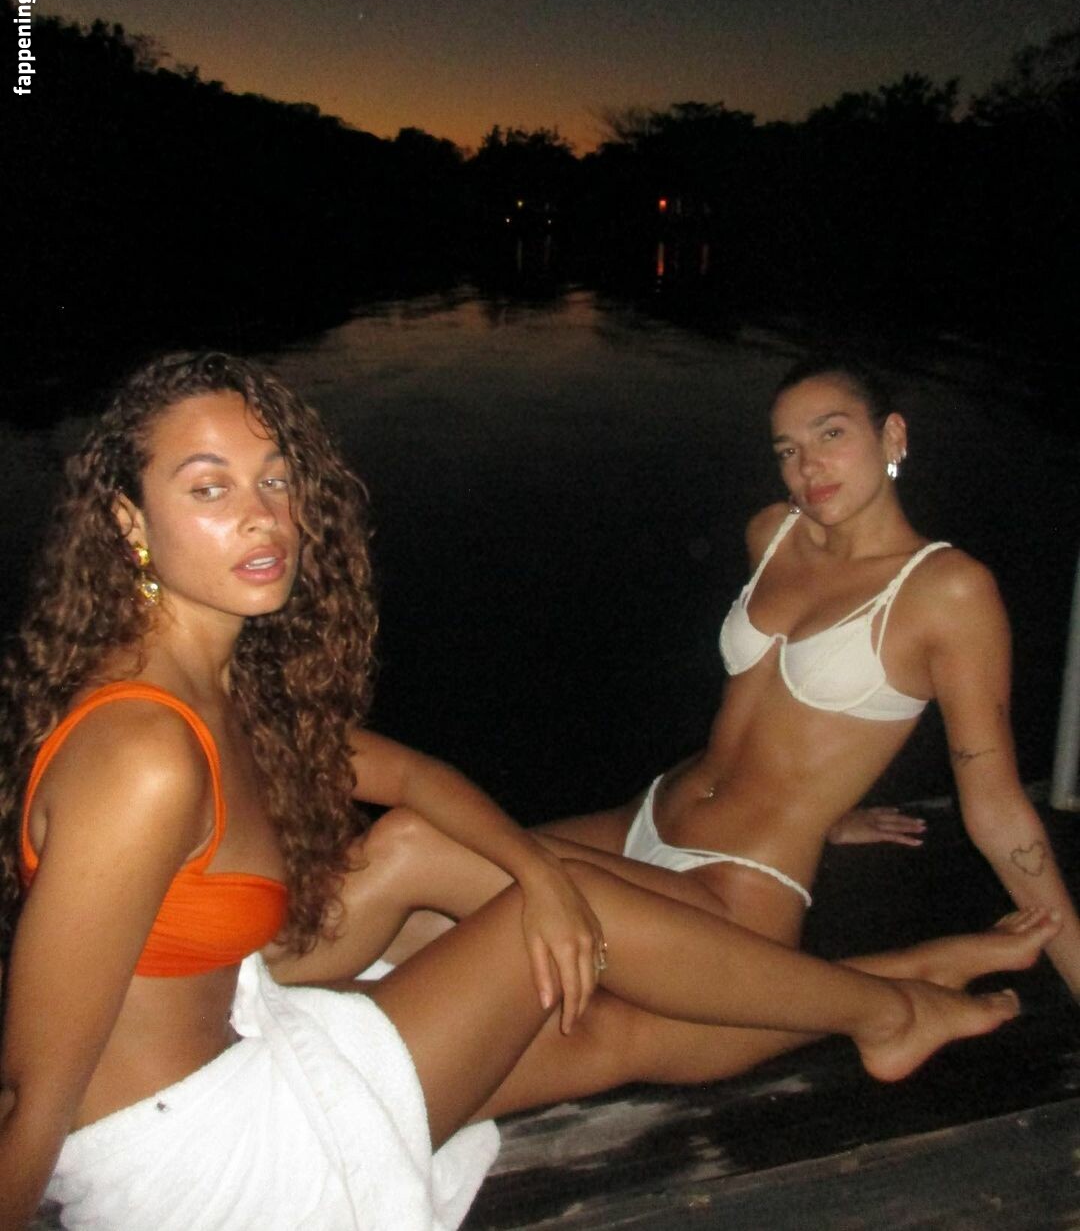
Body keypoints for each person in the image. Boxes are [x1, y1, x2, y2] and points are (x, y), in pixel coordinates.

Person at [0, 352, 1045, 1231]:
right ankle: (887, 1007)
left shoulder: (212, 690)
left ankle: (891, 985)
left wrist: (537, 872)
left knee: (586, 1001)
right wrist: (542, 886)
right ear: (131, 524)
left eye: (276, 481)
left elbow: (407, 778)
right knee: (563, 949)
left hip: (243, 1050)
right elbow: (31, 1098)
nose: (265, 518)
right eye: (209, 489)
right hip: (206, 1161)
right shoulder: (146, 754)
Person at [289, 352, 1080, 1001]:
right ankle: (241, 1000)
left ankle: (234, 1002)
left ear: (893, 435)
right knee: (391, 922)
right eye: (787, 450)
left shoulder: (948, 591)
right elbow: (781, 712)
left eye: (832, 434)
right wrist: (831, 806)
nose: (808, 466)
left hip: (736, 889)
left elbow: (996, 802)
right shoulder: (773, 534)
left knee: (418, 853)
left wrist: (1067, 944)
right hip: (646, 819)